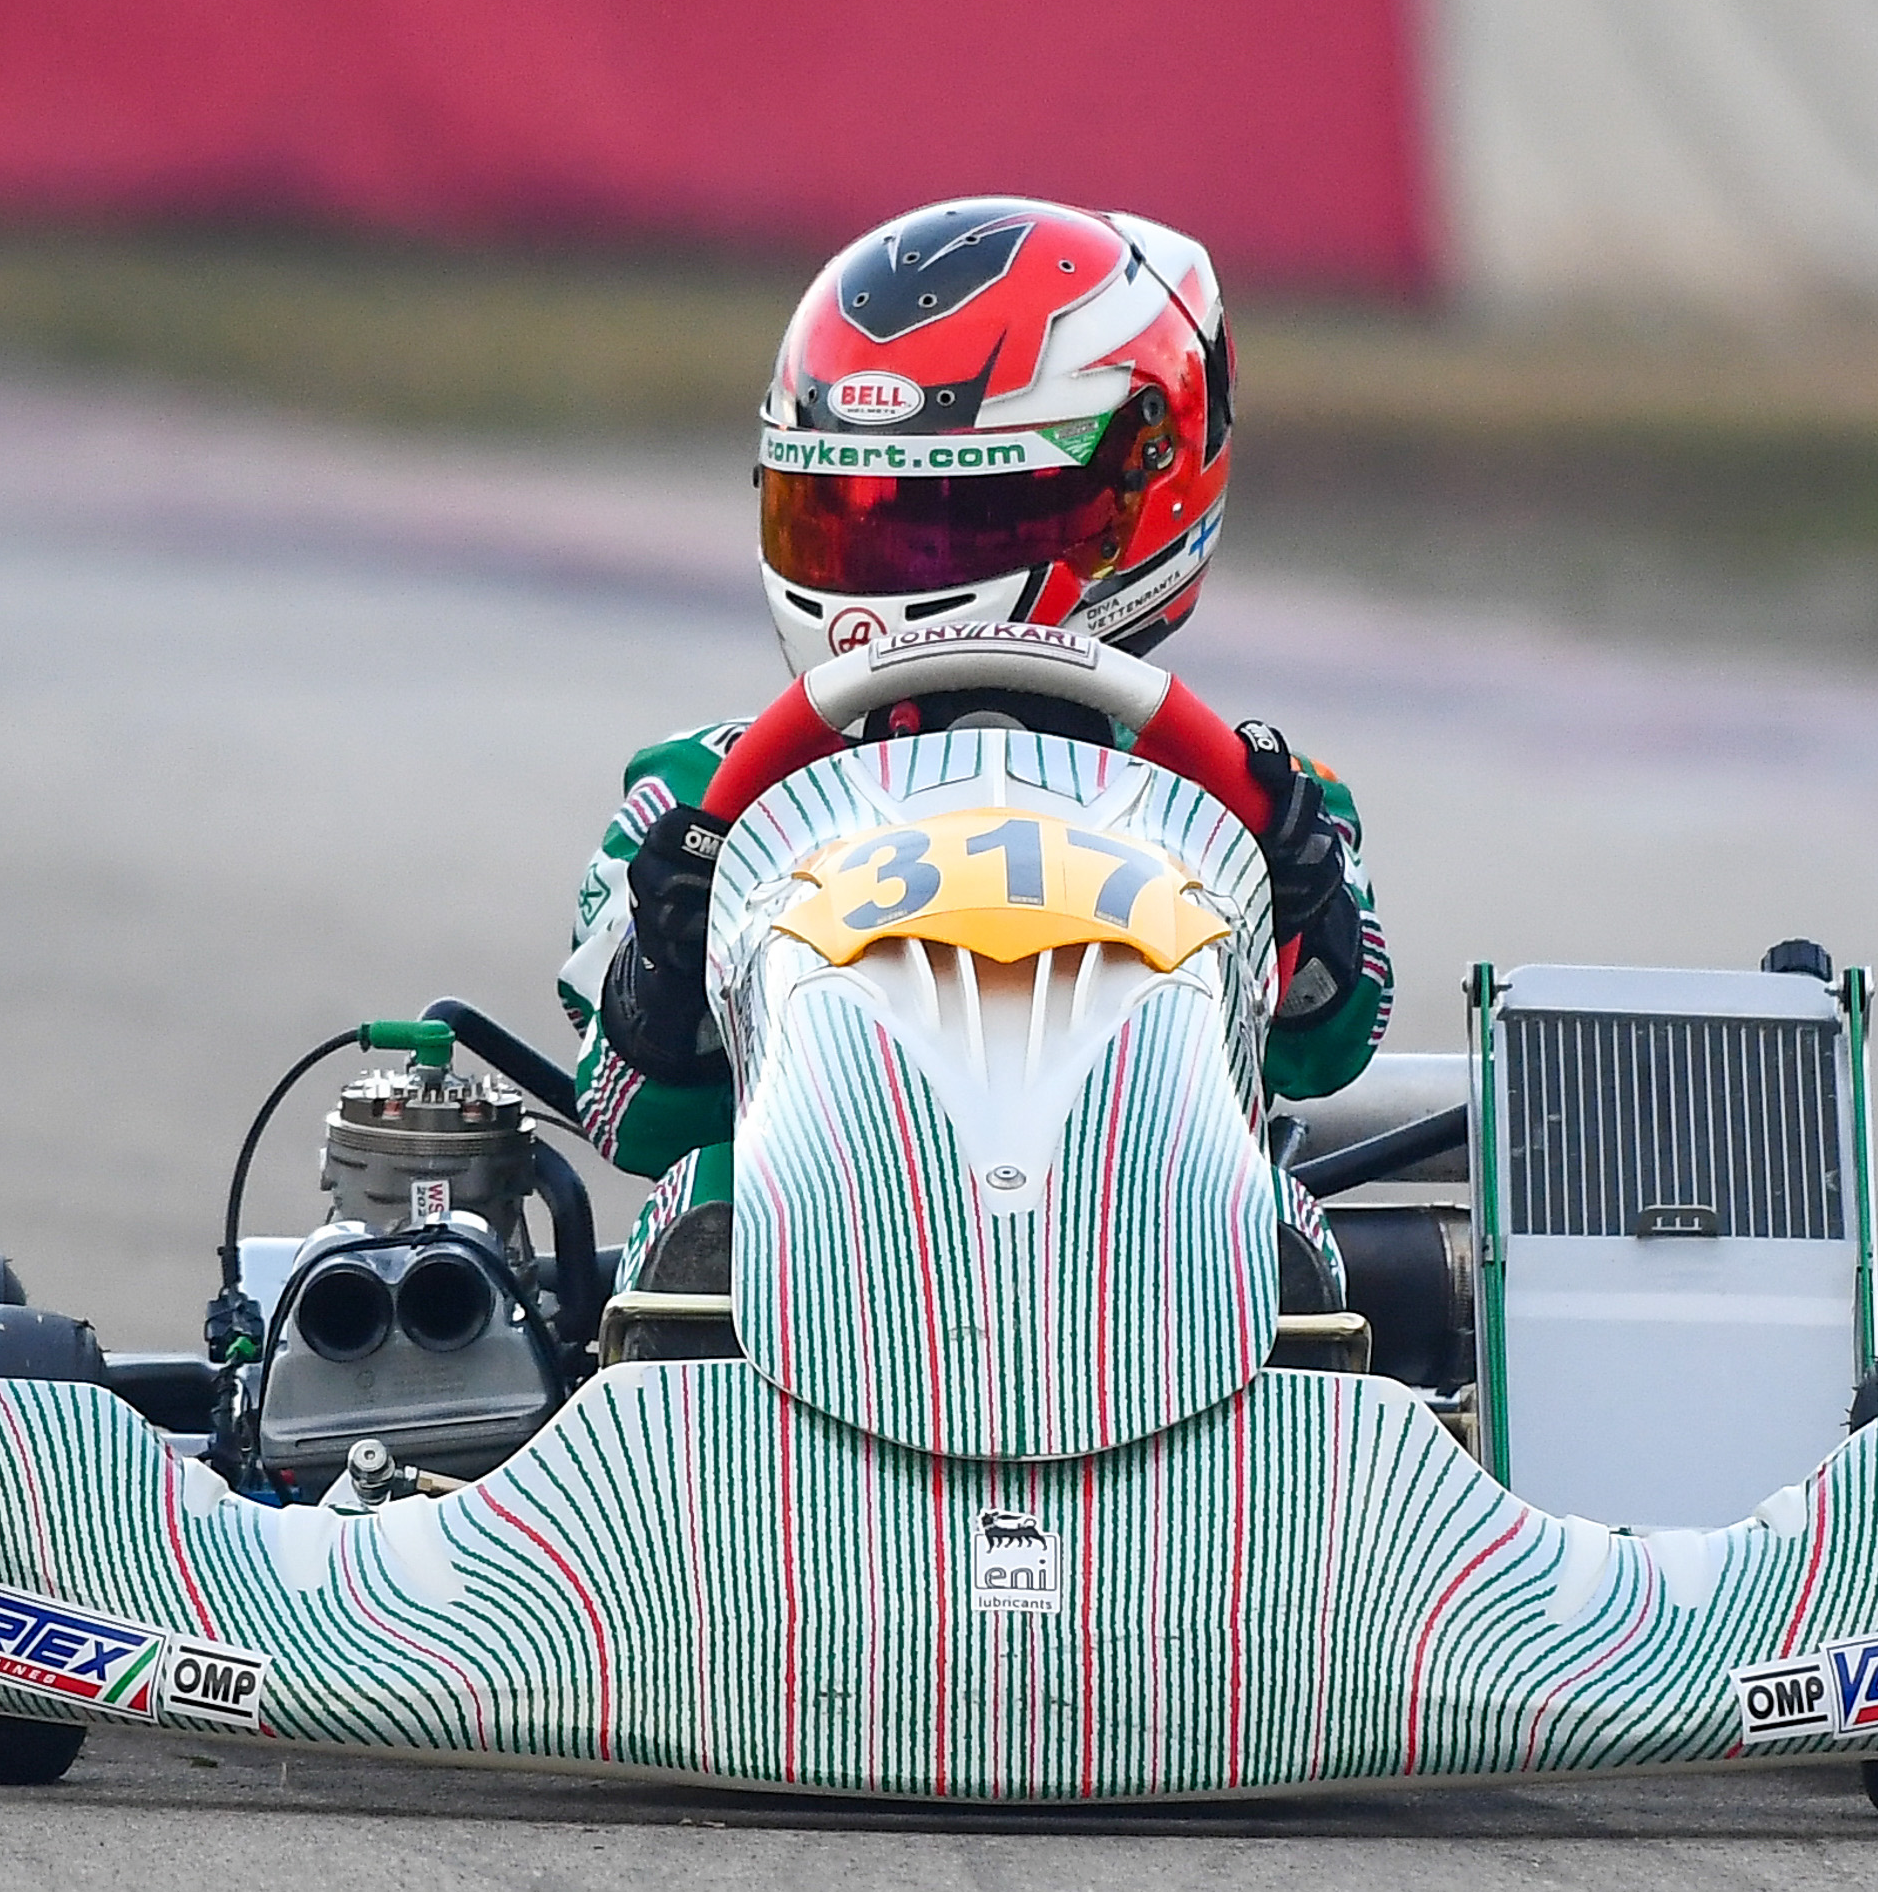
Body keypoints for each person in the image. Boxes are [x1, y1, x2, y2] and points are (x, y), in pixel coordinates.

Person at [558, 198, 1392, 1228]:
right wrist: (668, 970)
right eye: (842, 519)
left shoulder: (1248, 797)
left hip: (1162, 1235)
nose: (888, 572)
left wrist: (1303, 903)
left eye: (949, 525)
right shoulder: (692, 801)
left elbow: (1326, 1051)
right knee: (696, 1213)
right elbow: (627, 1121)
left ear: (1138, 496)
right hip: (808, 1254)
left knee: (1288, 1224)